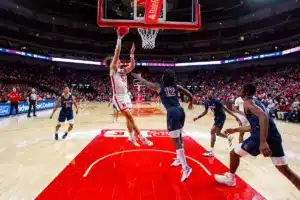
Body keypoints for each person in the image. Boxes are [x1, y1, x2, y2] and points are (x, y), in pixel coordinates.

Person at [215, 84, 300, 190]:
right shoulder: (257, 102)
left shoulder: (247, 102)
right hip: (274, 136)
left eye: (241, 89)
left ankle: (230, 179)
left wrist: (263, 141)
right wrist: (235, 130)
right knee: (285, 170)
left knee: (234, 154)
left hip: (260, 137)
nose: (238, 90)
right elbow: (255, 125)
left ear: (246, 92)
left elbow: (263, 117)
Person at [132, 70, 194, 182]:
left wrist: (138, 77)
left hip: (172, 112)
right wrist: (191, 102)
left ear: (164, 78)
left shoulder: (159, 87)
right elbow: (190, 94)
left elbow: (146, 83)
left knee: (176, 140)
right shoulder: (177, 86)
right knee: (179, 136)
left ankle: (186, 168)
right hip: (181, 111)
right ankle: (179, 159)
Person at [104, 28, 152, 147]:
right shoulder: (113, 70)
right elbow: (116, 54)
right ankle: (142, 138)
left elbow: (133, 66)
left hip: (126, 96)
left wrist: (131, 55)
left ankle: (131, 138)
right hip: (119, 98)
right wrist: (119, 39)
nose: (119, 60)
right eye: (117, 61)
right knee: (130, 117)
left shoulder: (122, 70)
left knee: (128, 119)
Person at [193, 91, 241, 157]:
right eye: (208, 93)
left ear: (213, 94)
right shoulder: (206, 102)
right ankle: (229, 137)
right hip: (216, 117)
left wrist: (235, 116)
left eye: (211, 93)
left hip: (221, 117)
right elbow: (205, 112)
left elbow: (226, 109)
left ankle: (212, 151)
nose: (209, 94)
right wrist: (198, 117)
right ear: (207, 94)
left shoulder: (217, 101)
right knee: (218, 133)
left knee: (212, 131)